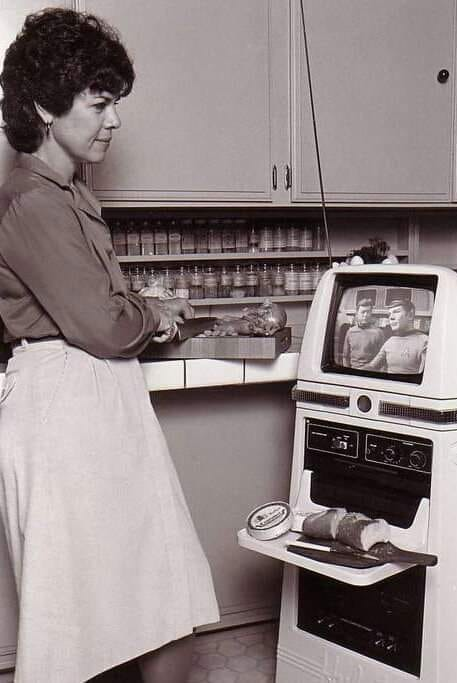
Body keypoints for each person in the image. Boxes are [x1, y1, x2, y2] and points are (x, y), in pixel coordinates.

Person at [0, 8, 219, 683]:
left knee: (156, 602)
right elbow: (102, 324)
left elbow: (102, 312)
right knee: (88, 625)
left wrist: (144, 312)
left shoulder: (65, 194)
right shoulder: (31, 201)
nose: (113, 121)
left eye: (114, 102)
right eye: (99, 103)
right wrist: (149, 313)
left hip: (96, 409)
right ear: (44, 103)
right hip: (66, 420)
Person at [363, 299, 428, 373]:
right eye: (389, 314)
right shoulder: (390, 341)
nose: (391, 318)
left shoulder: (425, 342)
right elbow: (371, 366)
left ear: (410, 315)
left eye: (396, 312)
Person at [341, 298, 385, 368]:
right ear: (357, 313)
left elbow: (383, 359)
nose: (365, 315)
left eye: (368, 312)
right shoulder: (350, 332)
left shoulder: (378, 333)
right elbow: (345, 357)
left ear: (371, 313)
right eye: (363, 312)